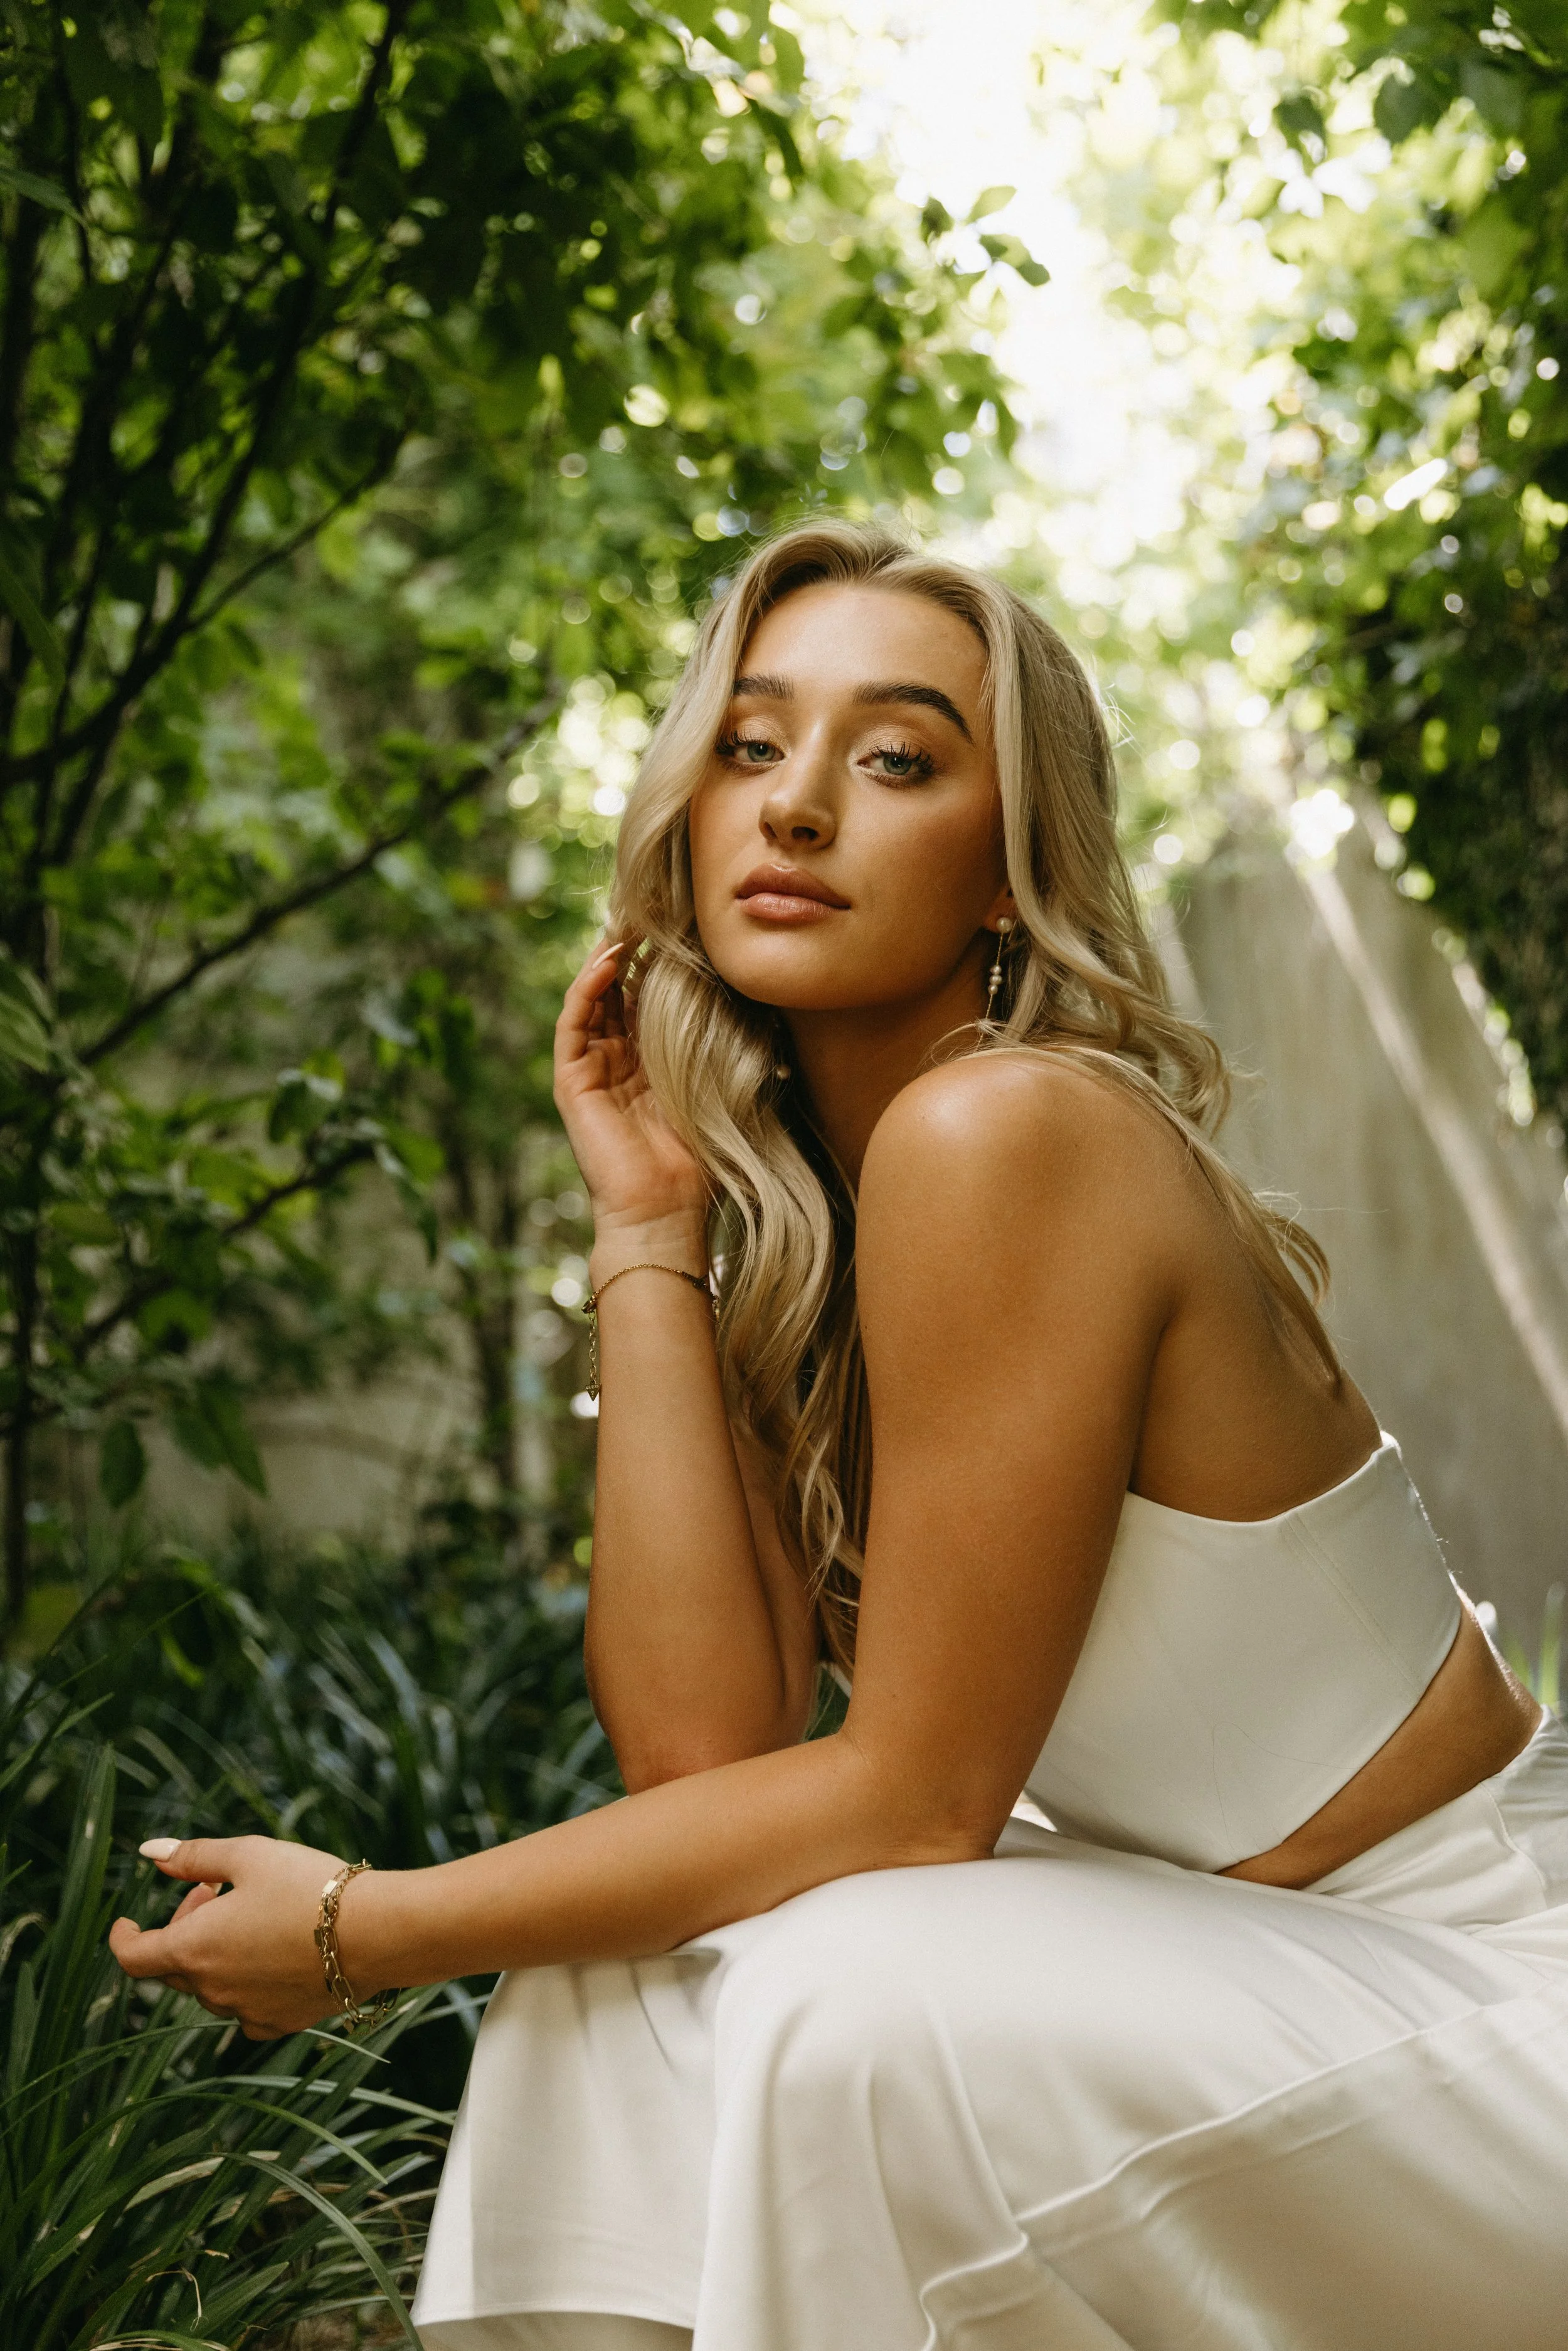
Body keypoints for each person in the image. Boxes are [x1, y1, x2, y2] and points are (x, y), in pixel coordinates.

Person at [112, 521, 1568, 2351]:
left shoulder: (1010, 1136)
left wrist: (361, 1930)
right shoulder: (821, 1216)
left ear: (1002, 867)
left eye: (893, 759)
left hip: (1490, 2021)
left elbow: (912, 1801)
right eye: (748, 743)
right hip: (1260, 1985)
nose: (793, 807)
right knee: (621, 1989)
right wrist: (649, 1229)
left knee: (857, 1996)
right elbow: (706, 1749)